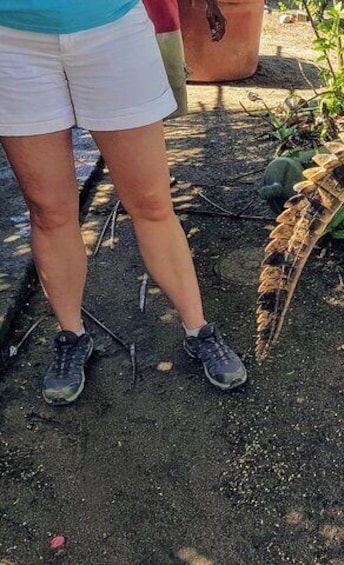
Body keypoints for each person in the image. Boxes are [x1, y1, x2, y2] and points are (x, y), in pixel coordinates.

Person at [0, 0, 247, 406]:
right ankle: (72, 336)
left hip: (110, 27)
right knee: (48, 209)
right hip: (13, 38)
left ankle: (198, 330)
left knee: (151, 202)